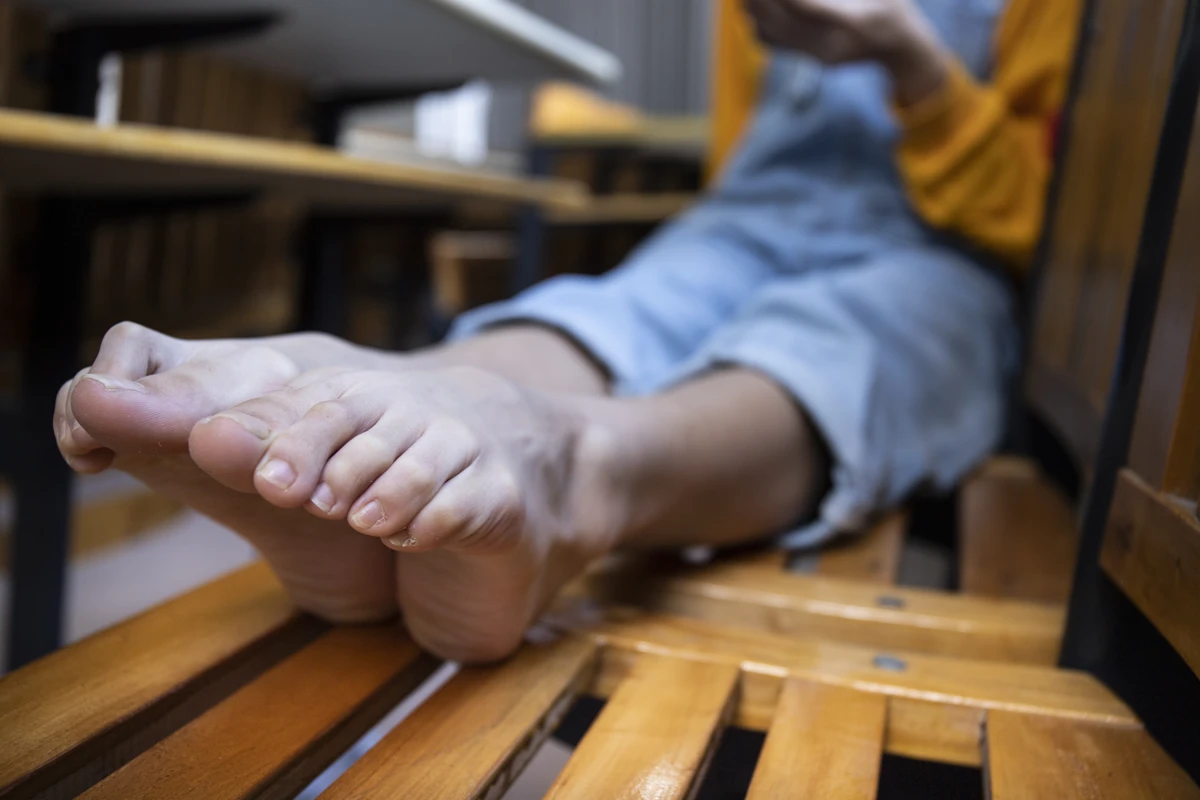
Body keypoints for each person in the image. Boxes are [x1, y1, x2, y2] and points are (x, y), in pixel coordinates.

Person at [53, 0, 1079, 662]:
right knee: (626, 299)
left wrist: (909, 59)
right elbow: (747, 166)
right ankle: (423, 380)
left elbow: (1051, 219)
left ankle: (582, 469)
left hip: (949, 246)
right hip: (747, 222)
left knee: (838, 337)